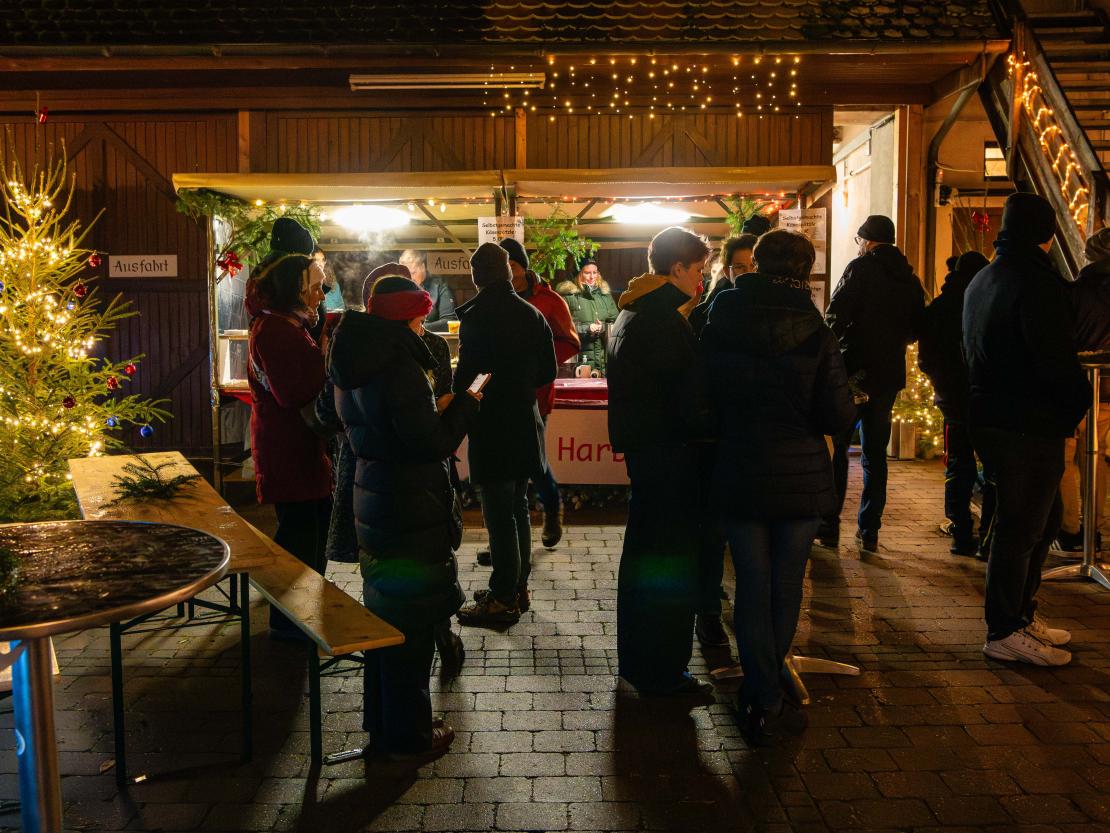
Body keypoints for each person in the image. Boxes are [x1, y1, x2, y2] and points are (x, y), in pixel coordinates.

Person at [702, 229, 854, 744]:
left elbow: (703, 397)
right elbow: (836, 415)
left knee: (750, 583)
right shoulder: (815, 327)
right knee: (787, 584)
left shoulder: (721, 313)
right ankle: (769, 691)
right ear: (805, 271)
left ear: (756, 265)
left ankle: (763, 694)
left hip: (740, 466)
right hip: (800, 474)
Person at [328, 269, 480, 757]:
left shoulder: (352, 356)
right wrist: (465, 406)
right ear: (406, 320)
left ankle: (385, 725)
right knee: (412, 627)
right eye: (419, 320)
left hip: (373, 498)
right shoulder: (399, 367)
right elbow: (429, 442)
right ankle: (412, 736)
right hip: (409, 503)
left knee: (386, 619)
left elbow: (343, 421)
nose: (423, 328)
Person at [964, 192, 1090, 666]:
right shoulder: (1035, 284)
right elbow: (1053, 359)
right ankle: (1004, 628)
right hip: (1026, 421)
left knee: (1042, 519)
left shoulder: (986, 277)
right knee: (1023, 526)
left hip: (995, 416)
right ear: (1047, 233)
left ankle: (1019, 614)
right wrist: (1074, 402)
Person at [607, 226, 713, 695]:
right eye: (699, 270)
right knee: (667, 564)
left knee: (645, 557)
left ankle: (641, 662)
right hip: (670, 459)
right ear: (678, 269)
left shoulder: (634, 311)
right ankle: (663, 670)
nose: (702, 280)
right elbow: (686, 401)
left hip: (649, 458)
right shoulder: (661, 320)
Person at [455, 243, 558, 626]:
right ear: (509, 272)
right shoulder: (532, 314)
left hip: (493, 425)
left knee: (499, 515)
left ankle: (502, 598)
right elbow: (548, 371)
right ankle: (517, 587)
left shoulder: (478, 317)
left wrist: (482, 386)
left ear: (478, 276)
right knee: (517, 508)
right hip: (525, 421)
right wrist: (518, 382)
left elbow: (470, 375)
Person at [246, 232, 333, 640]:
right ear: (294, 290)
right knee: (300, 536)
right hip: (288, 449)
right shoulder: (275, 331)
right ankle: (289, 619)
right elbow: (293, 392)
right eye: (313, 287)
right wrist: (326, 355)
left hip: (299, 448)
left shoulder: (286, 325)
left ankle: (300, 611)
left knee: (312, 528)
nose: (320, 294)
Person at [821, 215, 926, 552]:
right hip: (889, 373)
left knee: (837, 447)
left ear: (866, 240)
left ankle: (829, 525)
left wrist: (835, 351)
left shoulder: (860, 268)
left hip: (853, 371)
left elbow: (835, 313)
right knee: (875, 453)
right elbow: (915, 328)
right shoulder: (909, 279)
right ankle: (869, 529)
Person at [502, 237, 580, 548]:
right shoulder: (497, 298)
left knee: (534, 460)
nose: (510, 270)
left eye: (514, 264)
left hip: (536, 393)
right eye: (504, 264)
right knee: (506, 463)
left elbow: (570, 342)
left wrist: (537, 365)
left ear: (523, 266)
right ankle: (506, 535)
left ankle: (551, 511)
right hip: (501, 395)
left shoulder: (549, 301)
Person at [918, 251, 994, 558]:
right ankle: (988, 535)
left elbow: (926, 356)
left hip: (953, 401)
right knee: (992, 468)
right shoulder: (990, 300)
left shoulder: (941, 306)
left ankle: (960, 532)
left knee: (958, 465)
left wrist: (942, 381)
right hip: (988, 400)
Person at [1058, 227, 1110, 552]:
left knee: (1066, 457)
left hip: (1077, 386)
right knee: (1099, 457)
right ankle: (1097, 529)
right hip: (1109, 390)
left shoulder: (1076, 291)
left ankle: (1070, 528)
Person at [556, 258, 619, 375]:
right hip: (579, 364)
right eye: (587, 273)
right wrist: (586, 329)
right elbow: (561, 328)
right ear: (579, 274)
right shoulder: (569, 297)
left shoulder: (605, 296)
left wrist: (604, 328)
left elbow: (616, 322)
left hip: (603, 362)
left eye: (595, 272)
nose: (592, 277)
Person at [689, 234, 758, 337]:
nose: (748, 272)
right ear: (726, 271)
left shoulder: (774, 304)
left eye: (754, 266)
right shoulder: (702, 314)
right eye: (739, 267)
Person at [399, 249, 456, 332]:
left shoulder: (440, 286)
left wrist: (417, 328)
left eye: (413, 272)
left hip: (431, 341)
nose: (410, 278)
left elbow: (449, 322)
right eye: (406, 275)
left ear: (422, 267)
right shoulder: (400, 287)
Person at [315, 246, 345, 313]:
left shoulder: (335, 285)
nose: (321, 264)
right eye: (317, 260)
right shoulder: (310, 283)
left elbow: (341, 306)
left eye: (323, 260)